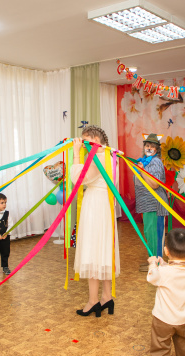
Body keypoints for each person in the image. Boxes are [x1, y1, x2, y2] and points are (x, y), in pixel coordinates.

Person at [72, 125, 120, 317]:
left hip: (96, 206)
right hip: (104, 205)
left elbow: (79, 179)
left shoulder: (98, 158)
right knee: (103, 251)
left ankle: (93, 301)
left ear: (96, 141)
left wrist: (76, 154)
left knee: (93, 250)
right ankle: (106, 297)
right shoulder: (111, 156)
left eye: (86, 141)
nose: (83, 145)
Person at [135, 133, 168, 271]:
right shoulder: (145, 161)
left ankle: (157, 264)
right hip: (146, 204)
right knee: (149, 233)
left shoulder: (155, 162)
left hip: (155, 205)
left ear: (157, 149)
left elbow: (155, 184)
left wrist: (142, 171)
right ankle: (152, 261)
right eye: (147, 145)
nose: (149, 148)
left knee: (155, 234)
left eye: (152, 146)